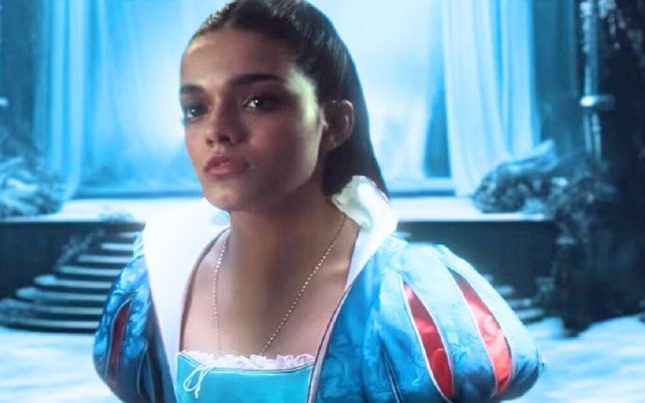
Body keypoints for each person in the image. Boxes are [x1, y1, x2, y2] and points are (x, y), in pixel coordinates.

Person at [93, 0, 543, 401]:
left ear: (335, 123)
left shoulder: (412, 305)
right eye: (196, 108)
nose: (218, 130)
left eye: (258, 101)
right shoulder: (151, 292)